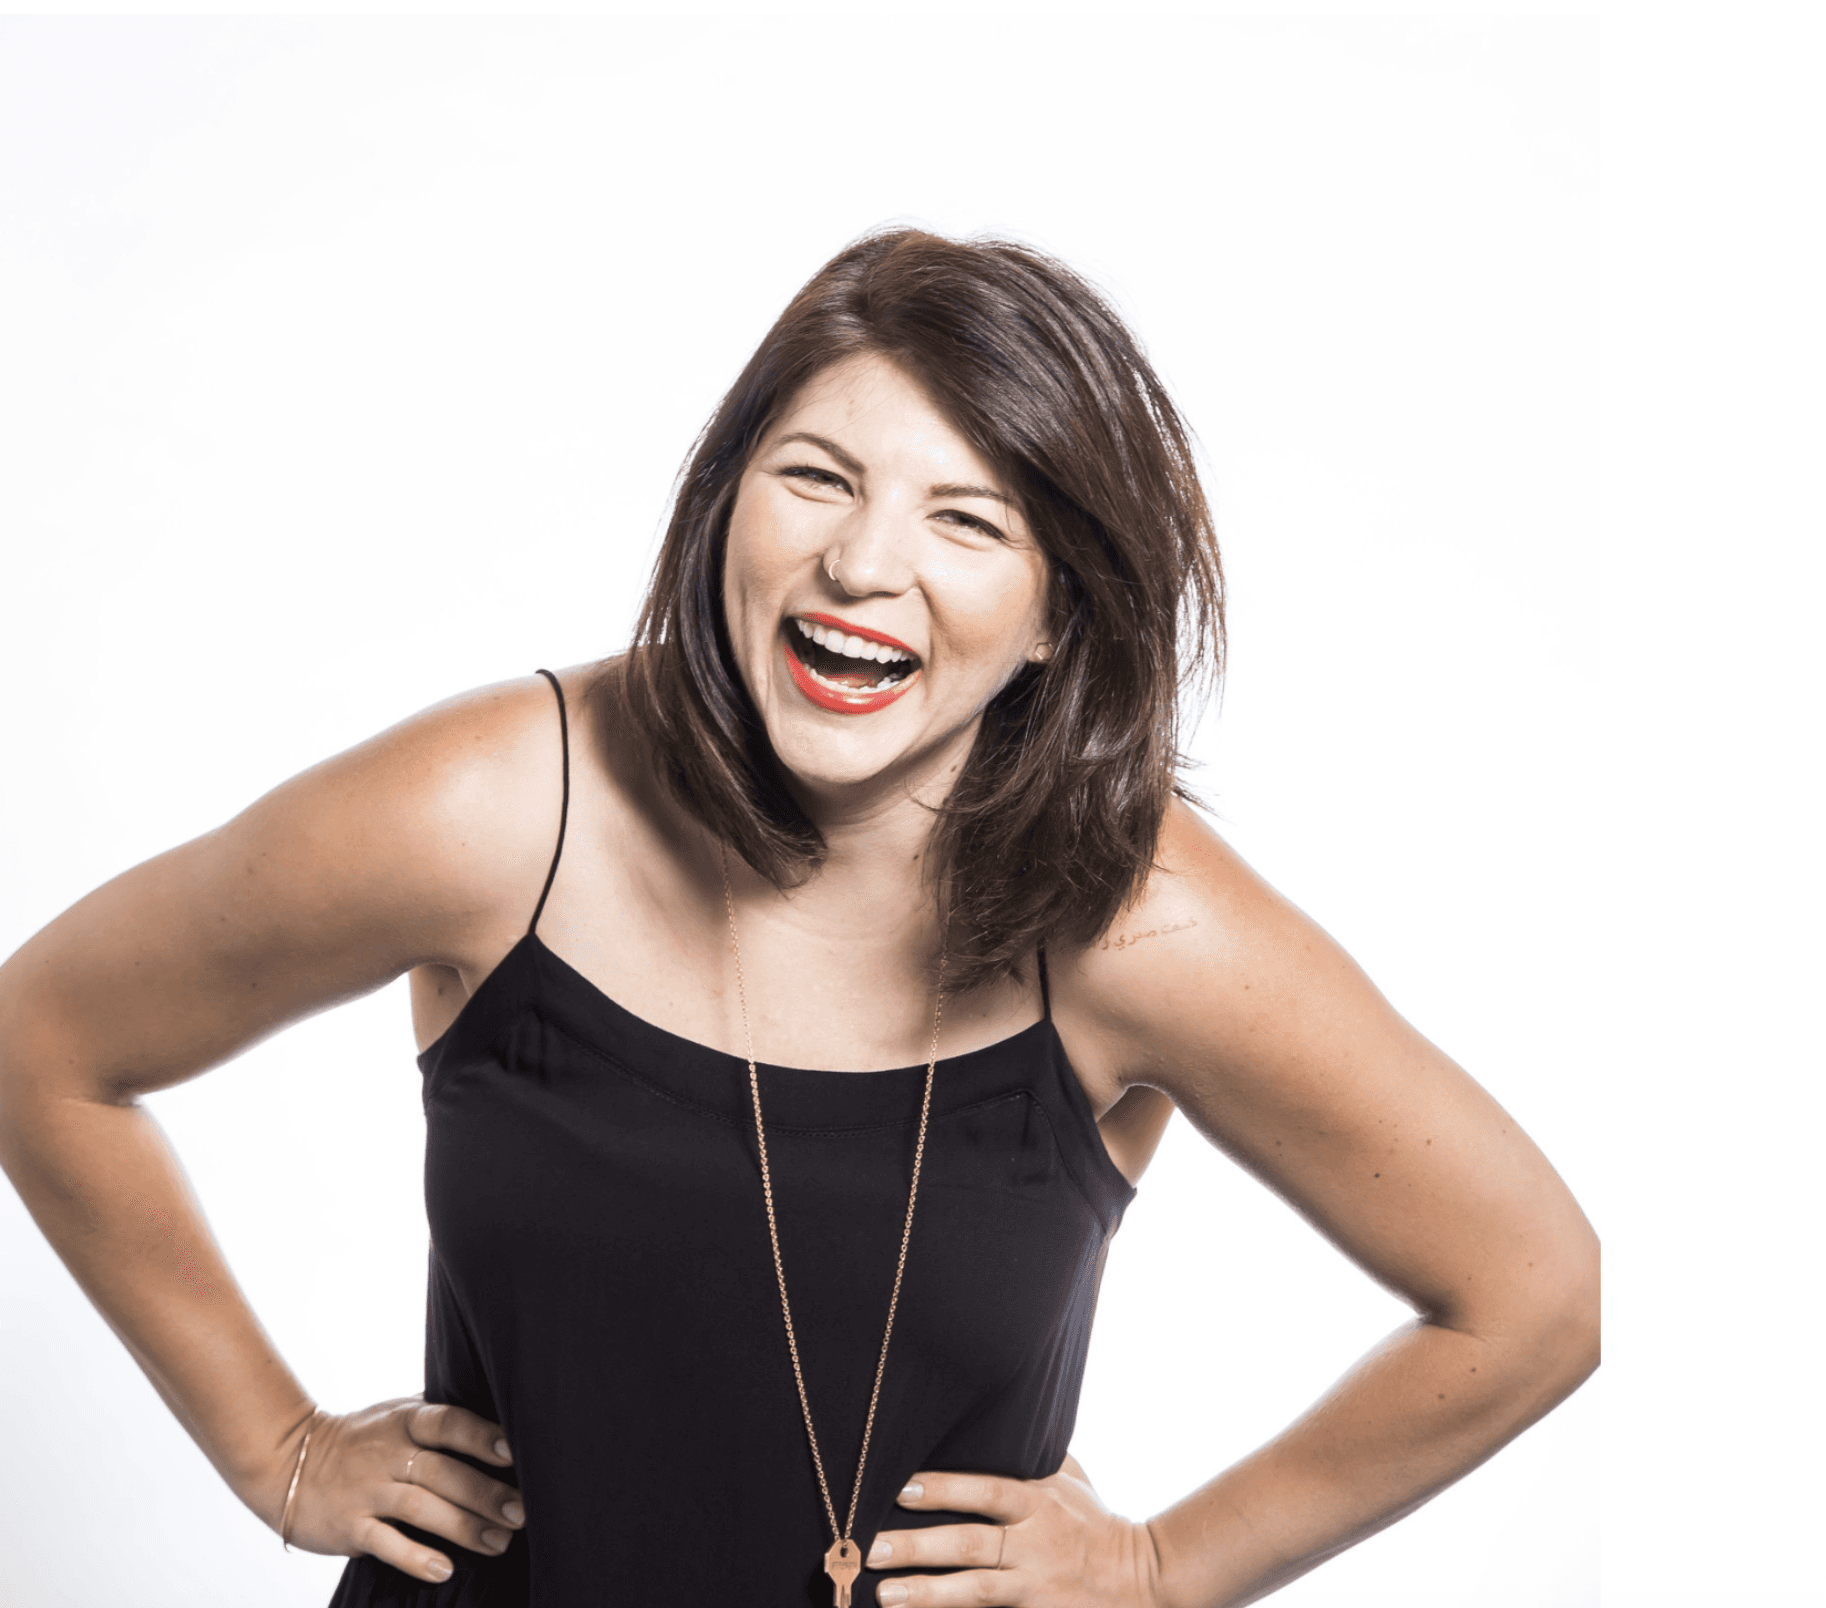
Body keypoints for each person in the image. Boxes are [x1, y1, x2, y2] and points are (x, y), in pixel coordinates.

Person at [0, 228, 1598, 1607]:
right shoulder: (494, 810)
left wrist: (1162, 1568)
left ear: (1056, 613)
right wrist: (275, 1449)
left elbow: (1534, 1298)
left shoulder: (1140, 922)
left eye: (967, 520)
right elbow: (43, 1039)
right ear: (724, 507)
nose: (860, 562)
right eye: (815, 478)